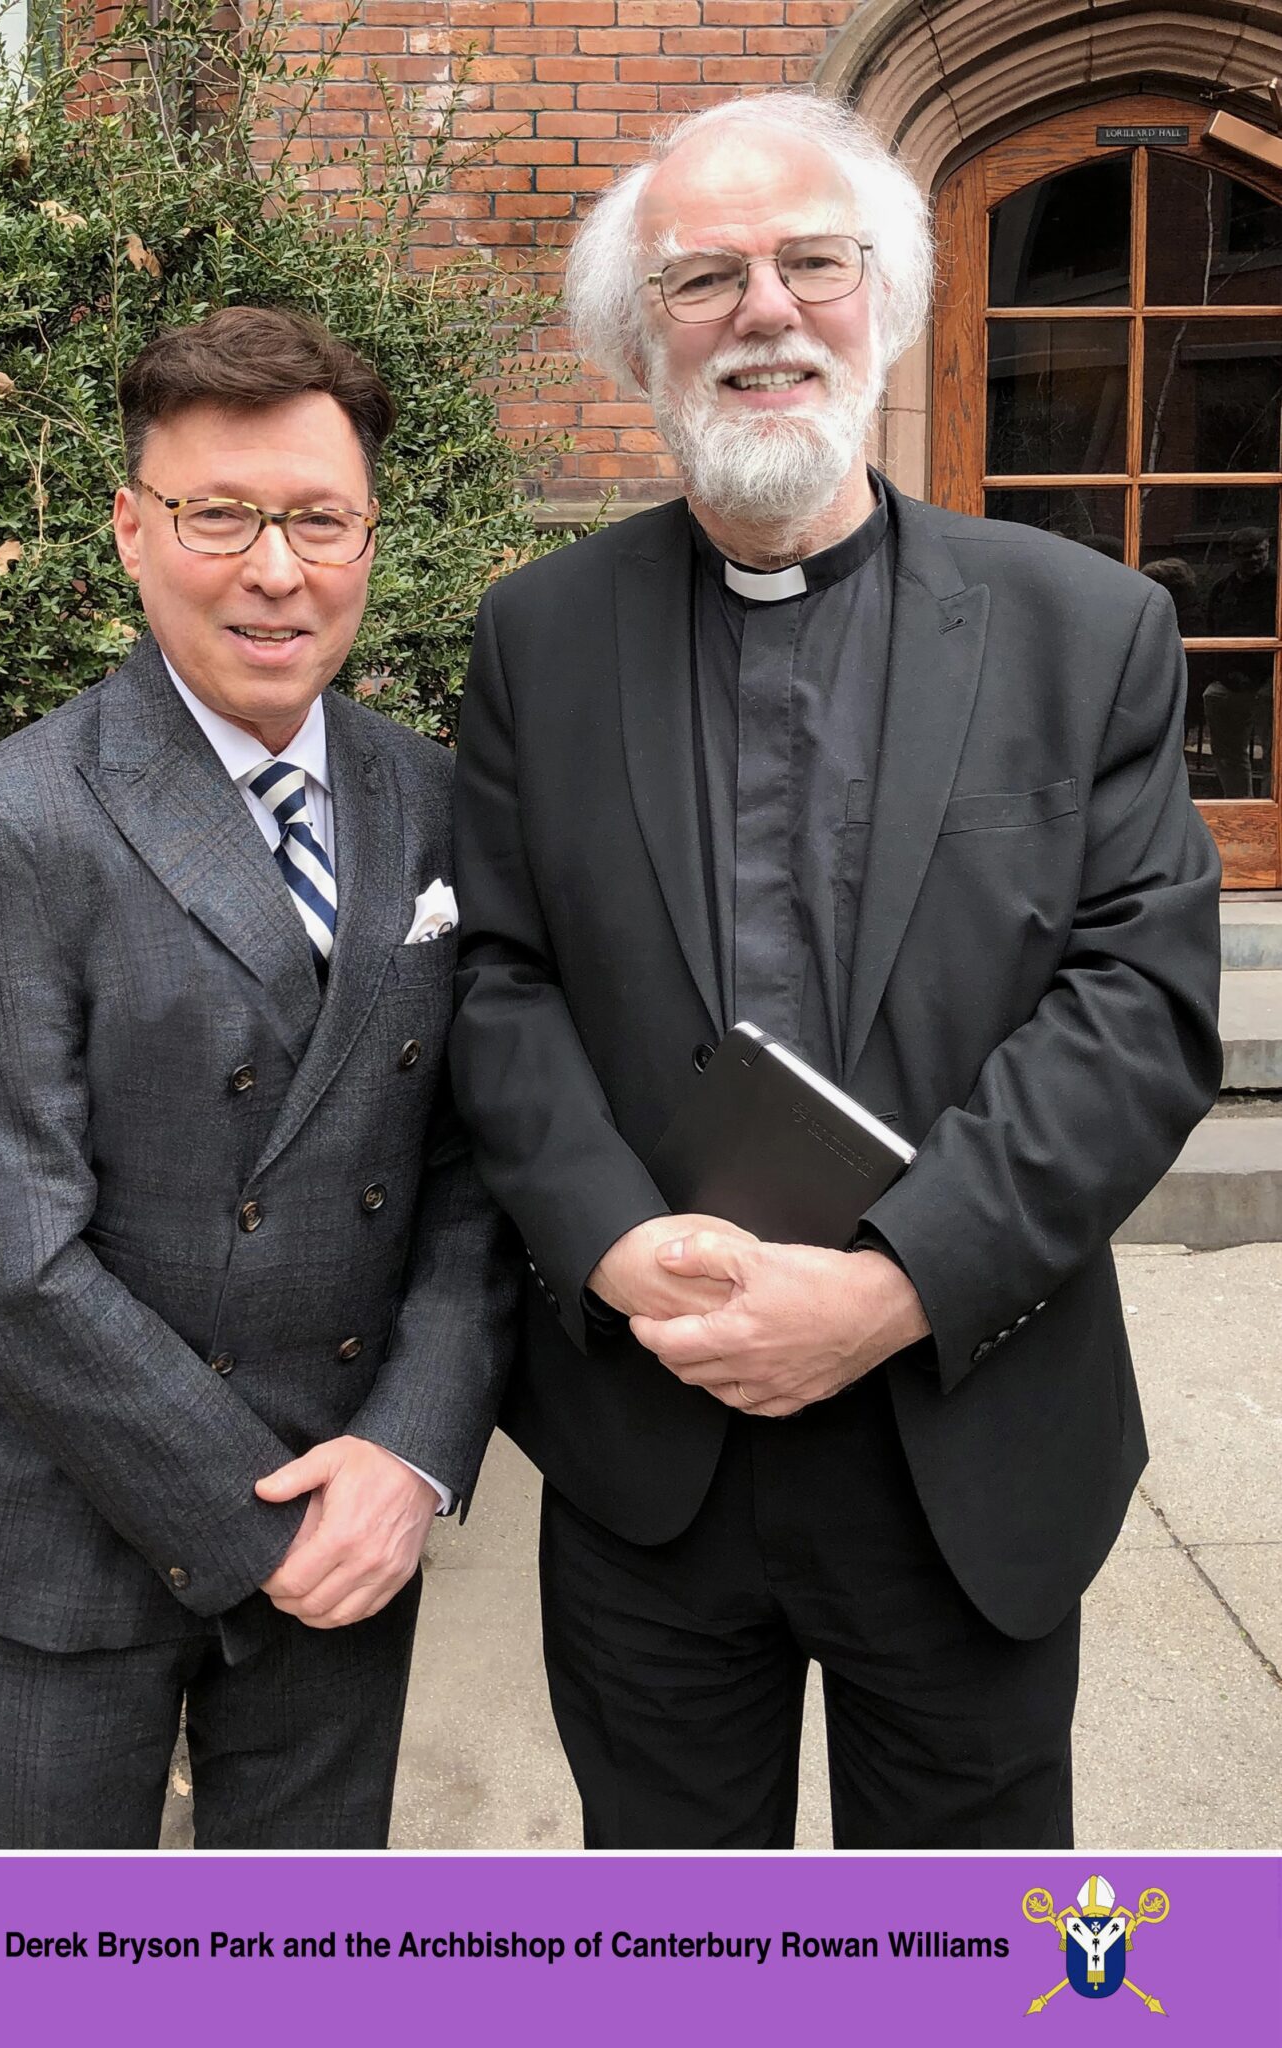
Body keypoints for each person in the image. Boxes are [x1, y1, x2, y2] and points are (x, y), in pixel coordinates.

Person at [449, 92, 1223, 1849]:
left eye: (812, 261)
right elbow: (497, 978)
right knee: (678, 1951)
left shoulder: (1081, 628)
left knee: (958, 1964)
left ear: (886, 297)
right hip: (655, 1434)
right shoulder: (538, 636)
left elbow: (1140, 1008)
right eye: (705, 277)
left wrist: (892, 1283)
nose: (765, 312)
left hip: (963, 1428)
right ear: (640, 333)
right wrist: (612, 1242)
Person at [0, 305, 514, 1849]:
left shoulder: (429, 801)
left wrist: (410, 1454)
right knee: (30, 1979)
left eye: (318, 517)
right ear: (130, 529)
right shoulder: (14, 822)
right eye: (218, 514)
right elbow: (2, 1254)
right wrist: (258, 1517)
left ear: (369, 532)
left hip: (344, 1496)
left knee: (295, 1975)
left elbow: (471, 1170)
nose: (274, 569)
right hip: (55, 1530)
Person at [1201, 527, 1274, 799]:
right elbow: (1212, 632)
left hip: (1269, 678)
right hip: (1231, 678)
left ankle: (1270, 813)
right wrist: (1222, 672)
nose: (1255, 559)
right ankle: (1239, 804)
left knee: (1274, 754)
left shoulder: (1276, 585)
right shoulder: (1222, 589)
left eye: (1260, 552)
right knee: (1228, 750)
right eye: (1247, 554)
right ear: (1234, 555)